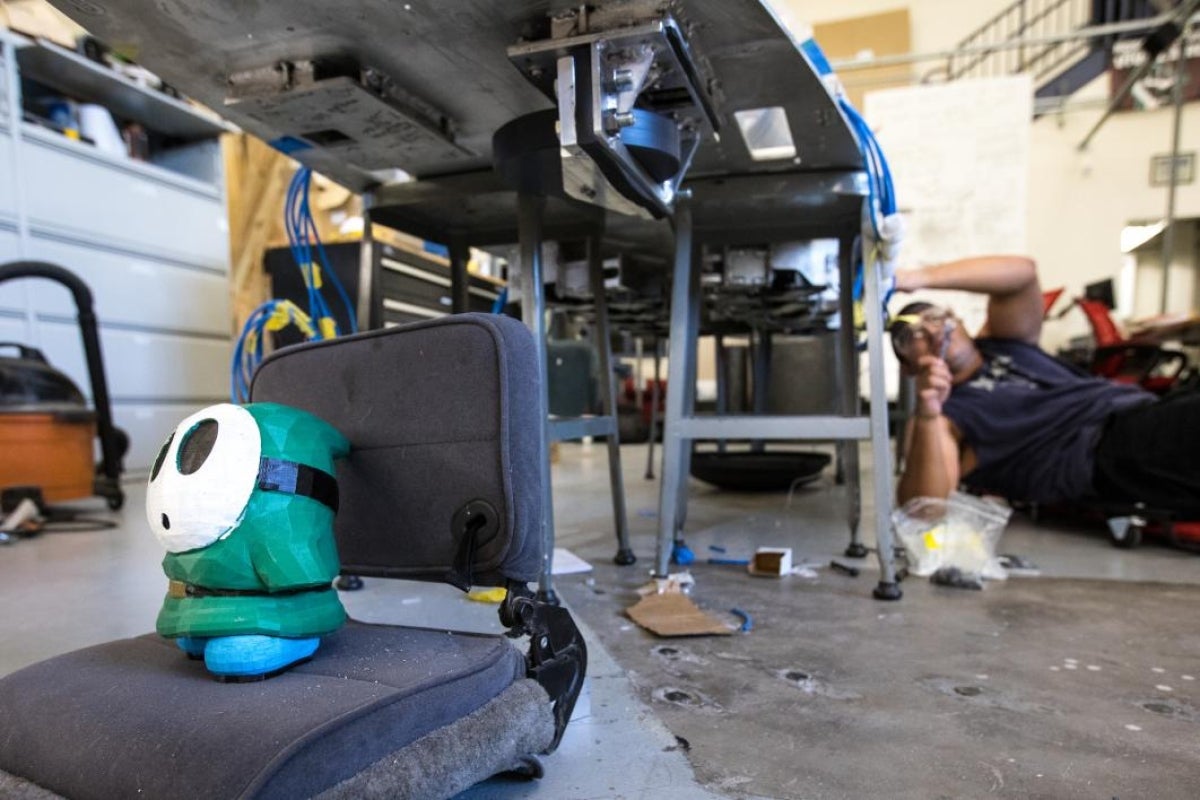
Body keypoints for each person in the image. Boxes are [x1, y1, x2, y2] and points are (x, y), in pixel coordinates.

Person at [890, 254, 1200, 517]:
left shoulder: (1006, 342)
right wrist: (929, 414)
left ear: (958, 321)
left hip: (1143, 411)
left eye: (936, 317)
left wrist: (913, 278)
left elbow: (1023, 273)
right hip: (1104, 451)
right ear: (907, 368)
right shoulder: (947, 417)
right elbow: (924, 510)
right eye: (910, 336)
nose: (931, 331)